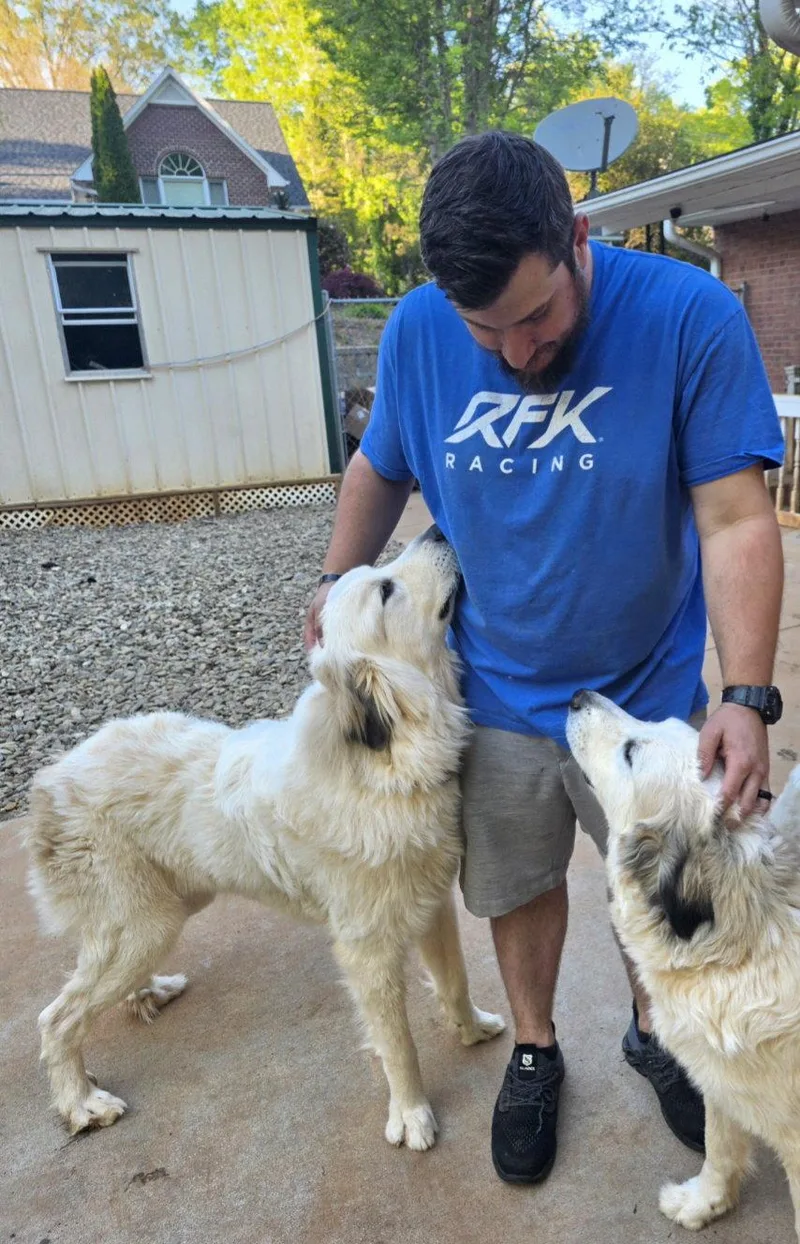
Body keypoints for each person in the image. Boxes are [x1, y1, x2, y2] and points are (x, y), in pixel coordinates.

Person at [304, 131, 785, 1184]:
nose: (517, 351)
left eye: (535, 317)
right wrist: (334, 582)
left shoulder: (684, 315)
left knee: (648, 887)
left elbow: (734, 519)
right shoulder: (421, 333)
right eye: (490, 333)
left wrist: (744, 693)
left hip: (644, 691)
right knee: (517, 883)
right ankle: (534, 1044)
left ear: (575, 240)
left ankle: (656, 1033)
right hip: (496, 687)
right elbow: (379, 465)